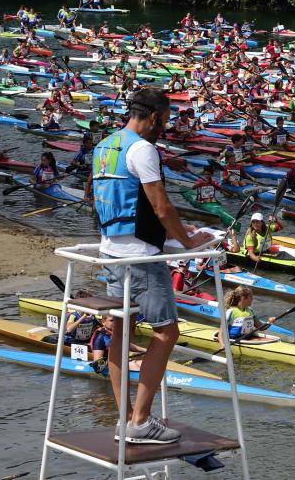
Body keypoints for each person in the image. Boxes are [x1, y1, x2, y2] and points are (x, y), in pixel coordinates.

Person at [92, 88, 214, 444]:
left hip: (110, 250)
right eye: (167, 119)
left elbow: (124, 199)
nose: (167, 126)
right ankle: (142, 422)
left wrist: (176, 229)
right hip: (141, 258)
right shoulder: (143, 148)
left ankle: (125, 418)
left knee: (121, 332)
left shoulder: (106, 144)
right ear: (156, 117)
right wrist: (189, 242)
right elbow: (160, 207)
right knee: (166, 332)